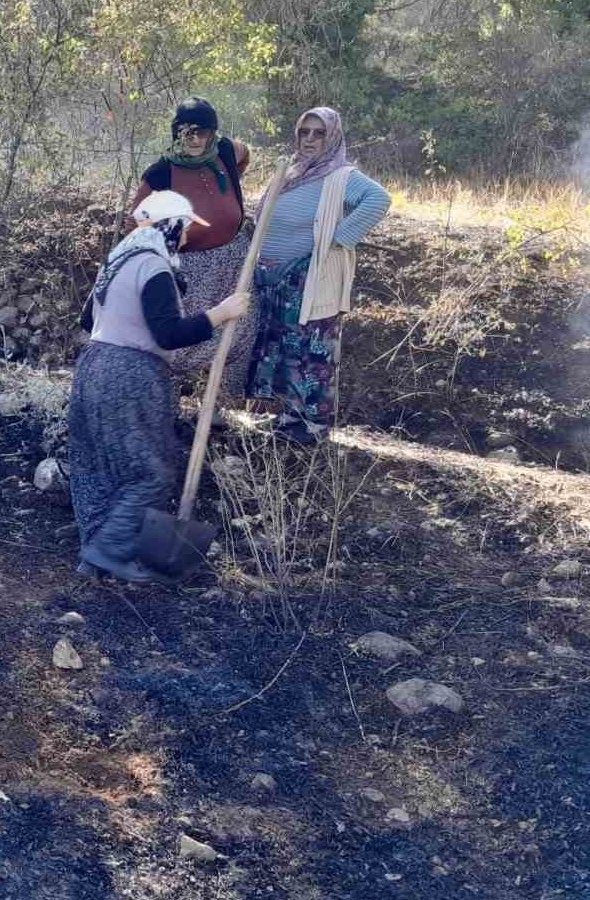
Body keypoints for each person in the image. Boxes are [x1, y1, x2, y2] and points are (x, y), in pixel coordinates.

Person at [71, 192, 250, 583]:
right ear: (171, 226)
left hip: (93, 366)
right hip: (130, 374)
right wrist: (222, 313)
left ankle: (95, 553)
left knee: (99, 465)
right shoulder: (153, 266)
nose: (186, 238)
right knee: (150, 470)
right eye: (184, 228)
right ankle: (109, 549)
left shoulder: (117, 261)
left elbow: (88, 320)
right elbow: (167, 333)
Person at [245, 106, 390, 445]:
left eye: (318, 133)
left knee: (312, 350)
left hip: (308, 278)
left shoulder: (341, 175)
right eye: (304, 132)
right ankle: (287, 418)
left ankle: (312, 426)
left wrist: (337, 240)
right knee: (283, 348)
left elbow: (378, 200)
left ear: (333, 136)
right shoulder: (293, 170)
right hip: (274, 279)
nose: (310, 139)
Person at [129, 97, 253, 396]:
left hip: (235, 258)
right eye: (188, 132)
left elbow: (245, 154)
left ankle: (223, 403)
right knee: (187, 336)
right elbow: (138, 224)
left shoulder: (225, 151)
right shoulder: (161, 173)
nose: (196, 139)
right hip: (191, 267)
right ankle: (167, 399)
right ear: (176, 132)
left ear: (213, 133)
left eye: (203, 132)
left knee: (241, 329)